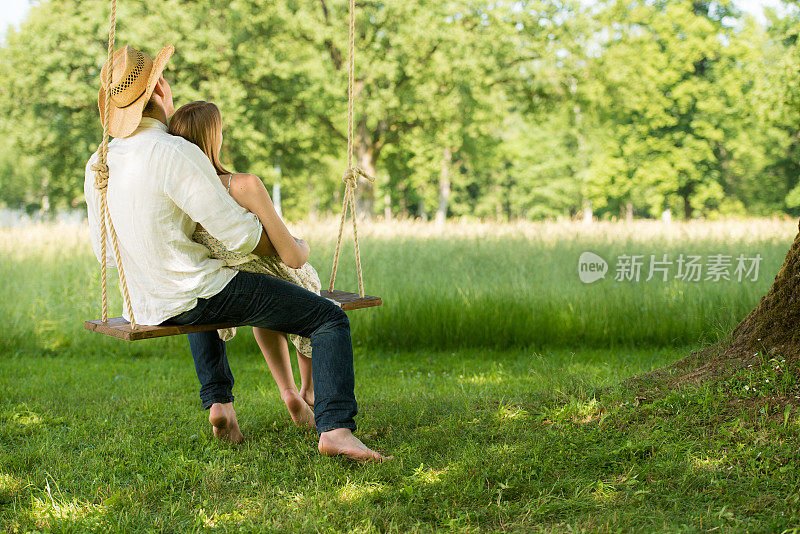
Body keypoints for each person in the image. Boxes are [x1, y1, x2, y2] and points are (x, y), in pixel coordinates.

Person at [84, 44, 389, 461]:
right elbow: (240, 237)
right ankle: (335, 429)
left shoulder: (99, 162)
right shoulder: (175, 152)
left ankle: (219, 404)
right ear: (160, 88)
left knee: (194, 294)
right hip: (196, 295)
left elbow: (106, 254)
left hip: (146, 302)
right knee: (327, 318)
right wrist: (290, 248)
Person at [168, 100, 325, 429]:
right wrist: (303, 243)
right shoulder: (242, 185)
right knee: (311, 294)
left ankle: (288, 392)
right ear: (216, 138)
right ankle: (307, 391)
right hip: (275, 277)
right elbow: (292, 257)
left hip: (230, 287)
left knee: (263, 313)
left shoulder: (176, 197)